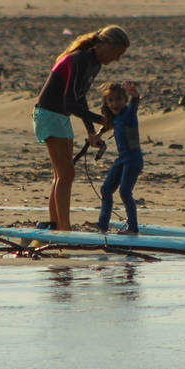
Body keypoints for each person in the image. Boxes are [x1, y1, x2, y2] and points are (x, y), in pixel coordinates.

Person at [33, 25, 130, 231]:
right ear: (106, 45)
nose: (116, 59)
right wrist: (100, 120)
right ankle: (64, 228)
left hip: (60, 116)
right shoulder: (78, 60)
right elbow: (70, 102)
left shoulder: (94, 65)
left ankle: (55, 223)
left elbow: (80, 99)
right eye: (117, 53)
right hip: (49, 114)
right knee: (66, 174)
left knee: (62, 174)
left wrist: (91, 131)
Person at [96, 81, 143, 234]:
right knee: (106, 189)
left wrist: (135, 95)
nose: (114, 103)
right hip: (122, 159)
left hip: (133, 159)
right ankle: (102, 224)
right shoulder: (114, 118)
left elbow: (135, 105)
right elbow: (107, 126)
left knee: (124, 192)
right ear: (106, 102)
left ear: (125, 100)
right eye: (111, 100)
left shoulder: (128, 114)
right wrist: (97, 136)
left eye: (118, 99)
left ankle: (133, 228)